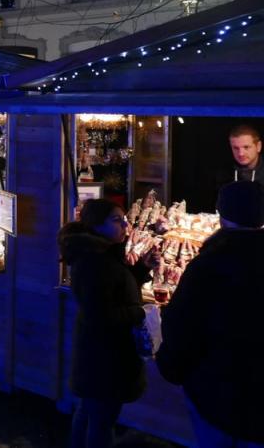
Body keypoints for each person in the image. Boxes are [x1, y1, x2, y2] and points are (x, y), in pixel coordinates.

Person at [157, 181, 264, 447]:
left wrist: (170, 367)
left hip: (215, 391)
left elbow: (181, 325)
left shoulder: (207, 265)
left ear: (221, 214)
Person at [58, 199, 161, 448]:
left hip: (100, 353)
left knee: (89, 411)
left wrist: (140, 271)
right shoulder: (94, 260)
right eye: (116, 220)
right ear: (96, 225)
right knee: (102, 419)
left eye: (124, 219)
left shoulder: (102, 253)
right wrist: (139, 313)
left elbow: (115, 290)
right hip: (104, 356)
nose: (125, 225)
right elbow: (101, 314)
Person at [221, 125, 264, 190]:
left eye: (246, 147)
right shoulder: (223, 175)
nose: (241, 154)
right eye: (236, 148)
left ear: (258, 146)